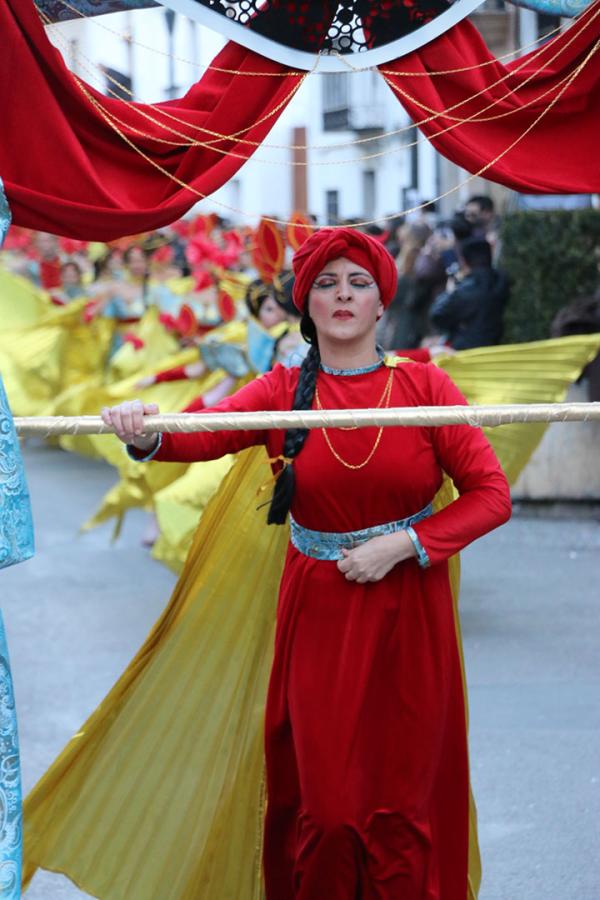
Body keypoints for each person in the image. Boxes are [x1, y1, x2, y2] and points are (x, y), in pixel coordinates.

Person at [99, 228, 512, 897]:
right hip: (319, 616)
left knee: (401, 812)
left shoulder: (425, 386)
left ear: (383, 303)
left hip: (409, 618)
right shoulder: (281, 389)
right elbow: (203, 435)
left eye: (358, 283)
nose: (343, 295)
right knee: (329, 813)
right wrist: (144, 433)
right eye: (327, 283)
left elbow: (491, 496)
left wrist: (402, 546)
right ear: (306, 304)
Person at [429, 237, 509, 350]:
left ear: (464, 261)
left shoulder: (466, 289)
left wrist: (450, 292)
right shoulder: (501, 280)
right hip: (493, 348)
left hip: (465, 351)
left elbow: (437, 314)